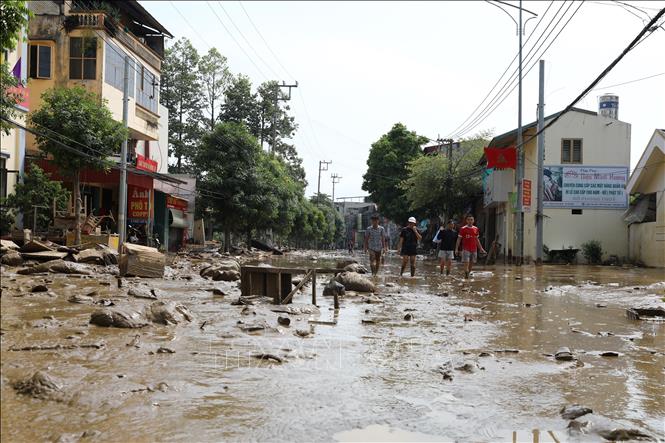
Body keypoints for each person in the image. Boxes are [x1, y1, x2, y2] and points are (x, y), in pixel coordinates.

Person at [456, 214, 486, 279]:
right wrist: (456, 249)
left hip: (474, 249)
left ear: (473, 221)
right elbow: (459, 239)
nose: (470, 221)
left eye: (471, 220)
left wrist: (481, 248)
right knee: (466, 262)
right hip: (465, 249)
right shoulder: (463, 229)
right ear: (466, 221)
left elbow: (477, 239)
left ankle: (467, 275)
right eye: (469, 220)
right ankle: (466, 273)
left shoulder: (476, 229)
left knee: (471, 263)